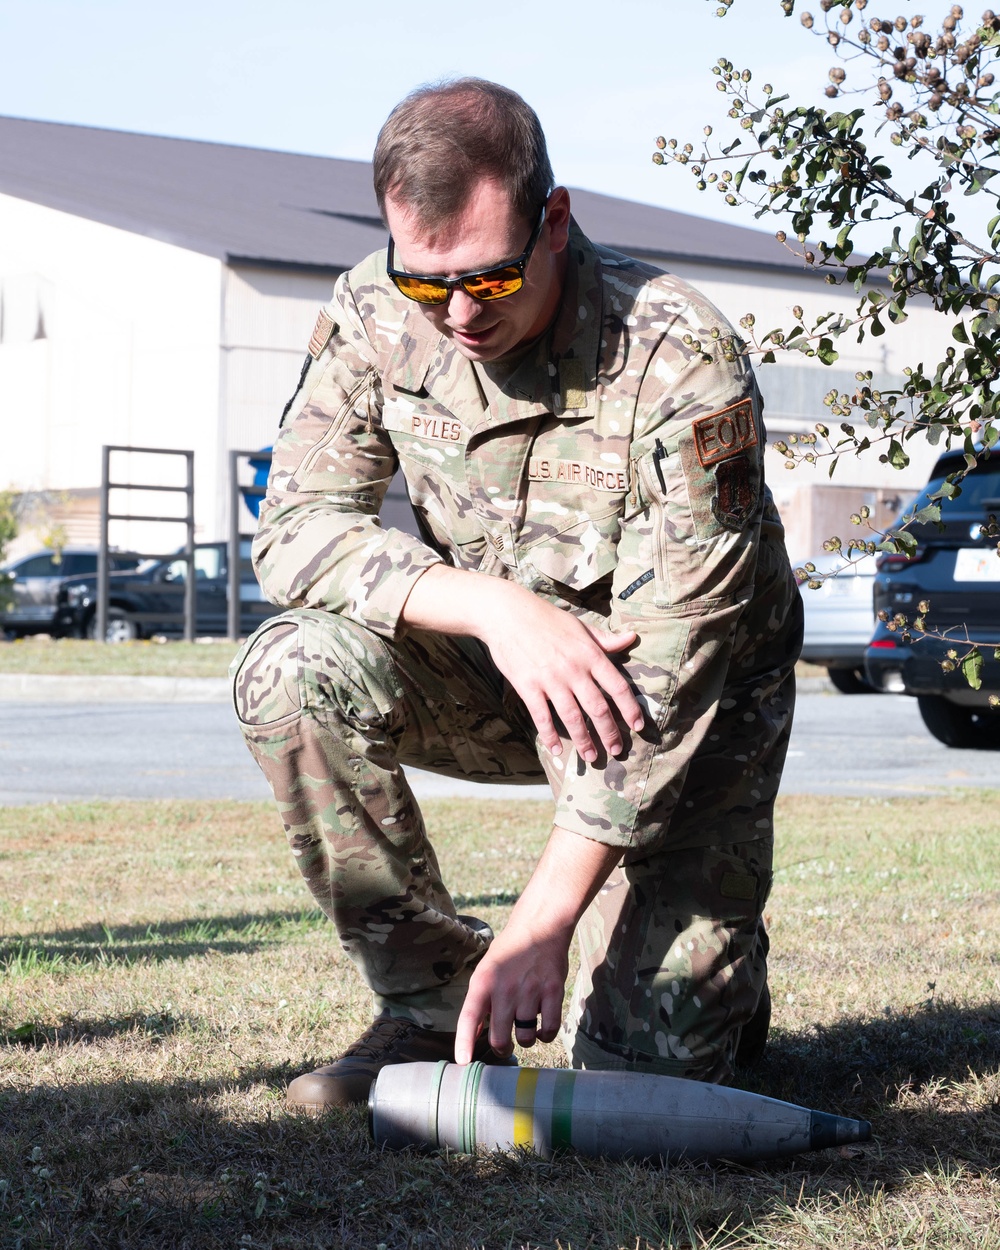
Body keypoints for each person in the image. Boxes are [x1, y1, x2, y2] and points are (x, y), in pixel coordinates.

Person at [232, 77, 802, 1111]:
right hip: (505, 670)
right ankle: (428, 1000)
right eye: (426, 283)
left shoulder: (679, 358)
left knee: (633, 1077)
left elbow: (672, 680)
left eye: (488, 279)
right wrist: (493, 607)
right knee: (290, 665)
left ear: (555, 220)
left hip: (678, 711)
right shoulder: (371, 309)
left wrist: (542, 921)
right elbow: (292, 529)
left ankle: (706, 969)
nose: (456, 315)